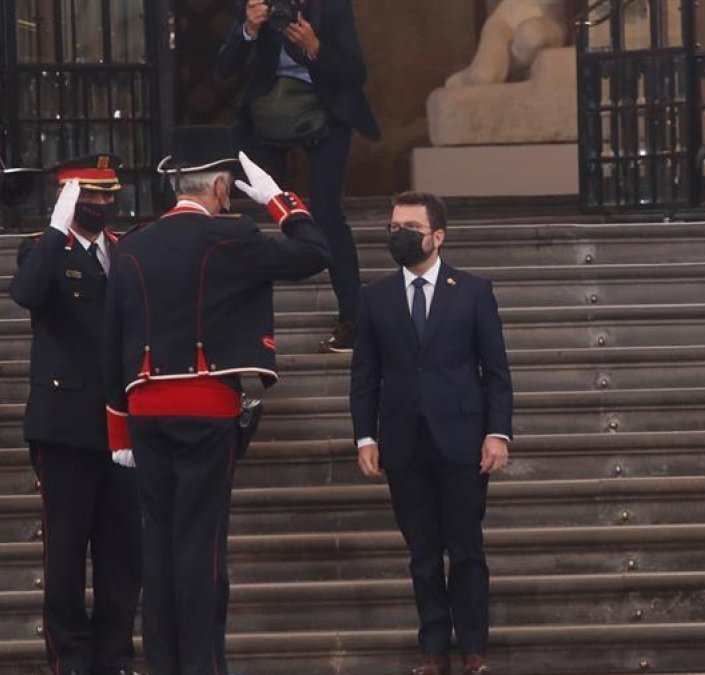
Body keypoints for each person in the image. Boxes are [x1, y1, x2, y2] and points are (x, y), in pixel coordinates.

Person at [103, 125, 330, 675]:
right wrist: (277, 199)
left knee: (157, 549)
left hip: (145, 412)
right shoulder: (233, 237)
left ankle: (164, 664)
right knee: (200, 550)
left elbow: (111, 339)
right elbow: (314, 253)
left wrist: (118, 428)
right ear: (224, 187)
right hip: (206, 408)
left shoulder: (132, 244)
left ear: (177, 182)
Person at [351, 191, 514, 675]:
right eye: (392, 227)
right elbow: (364, 376)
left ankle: (475, 650)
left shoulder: (473, 291)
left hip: (463, 441)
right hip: (403, 442)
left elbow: (496, 372)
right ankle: (433, 652)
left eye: (408, 228)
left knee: (466, 550)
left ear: (437, 236)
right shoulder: (374, 297)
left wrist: (497, 434)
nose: (397, 235)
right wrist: (365, 437)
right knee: (422, 553)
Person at [10, 155, 141, 675]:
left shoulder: (123, 252)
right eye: (92, 196)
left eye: (110, 195)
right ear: (69, 197)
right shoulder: (42, 251)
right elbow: (26, 294)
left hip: (122, 426)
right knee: (65, 554)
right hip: (64, 425)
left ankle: (113, 657)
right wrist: (54, 229)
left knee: (122, 555)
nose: (104, 204)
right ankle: (71, 659)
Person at [216, 0, 380, 353]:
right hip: (269, 114)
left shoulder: (332, 8)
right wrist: (249, 29)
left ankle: (352, 318)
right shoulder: (254, 7)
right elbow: (224, 67)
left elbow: (356, 73)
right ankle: (239, 321)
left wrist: (314, 46)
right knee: (252, 210)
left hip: (326, 111)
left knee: (327, 212)